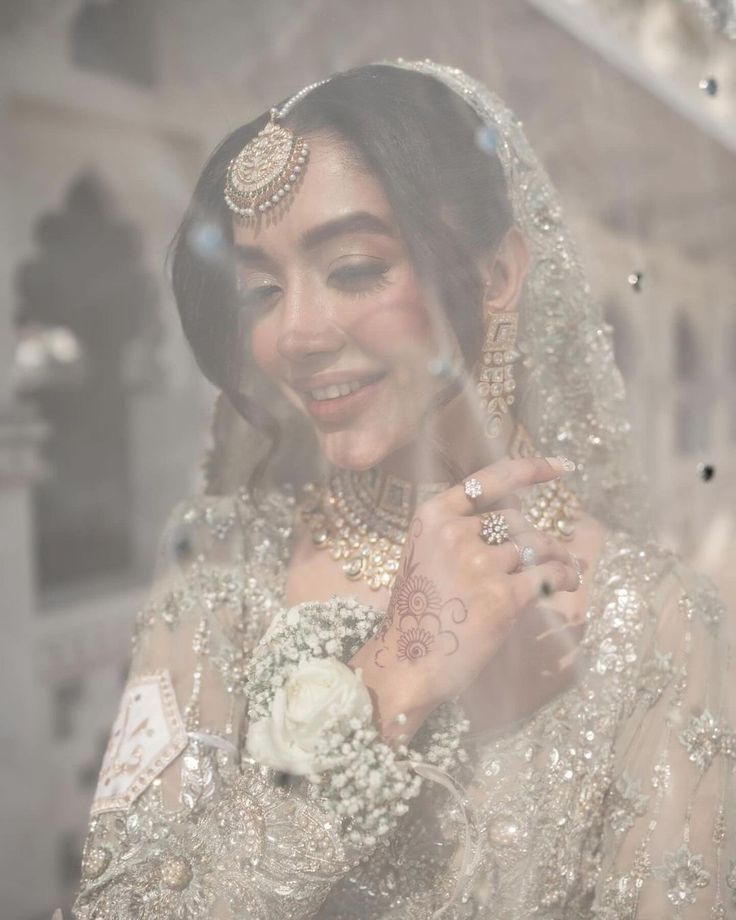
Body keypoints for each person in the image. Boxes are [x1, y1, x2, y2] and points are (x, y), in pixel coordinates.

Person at [71, 60, 734, 919]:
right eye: (260, 291)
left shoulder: (656, 617)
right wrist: (391, 681)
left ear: (496, 276)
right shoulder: (223, 560)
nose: (296, 333)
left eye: (352, 269)